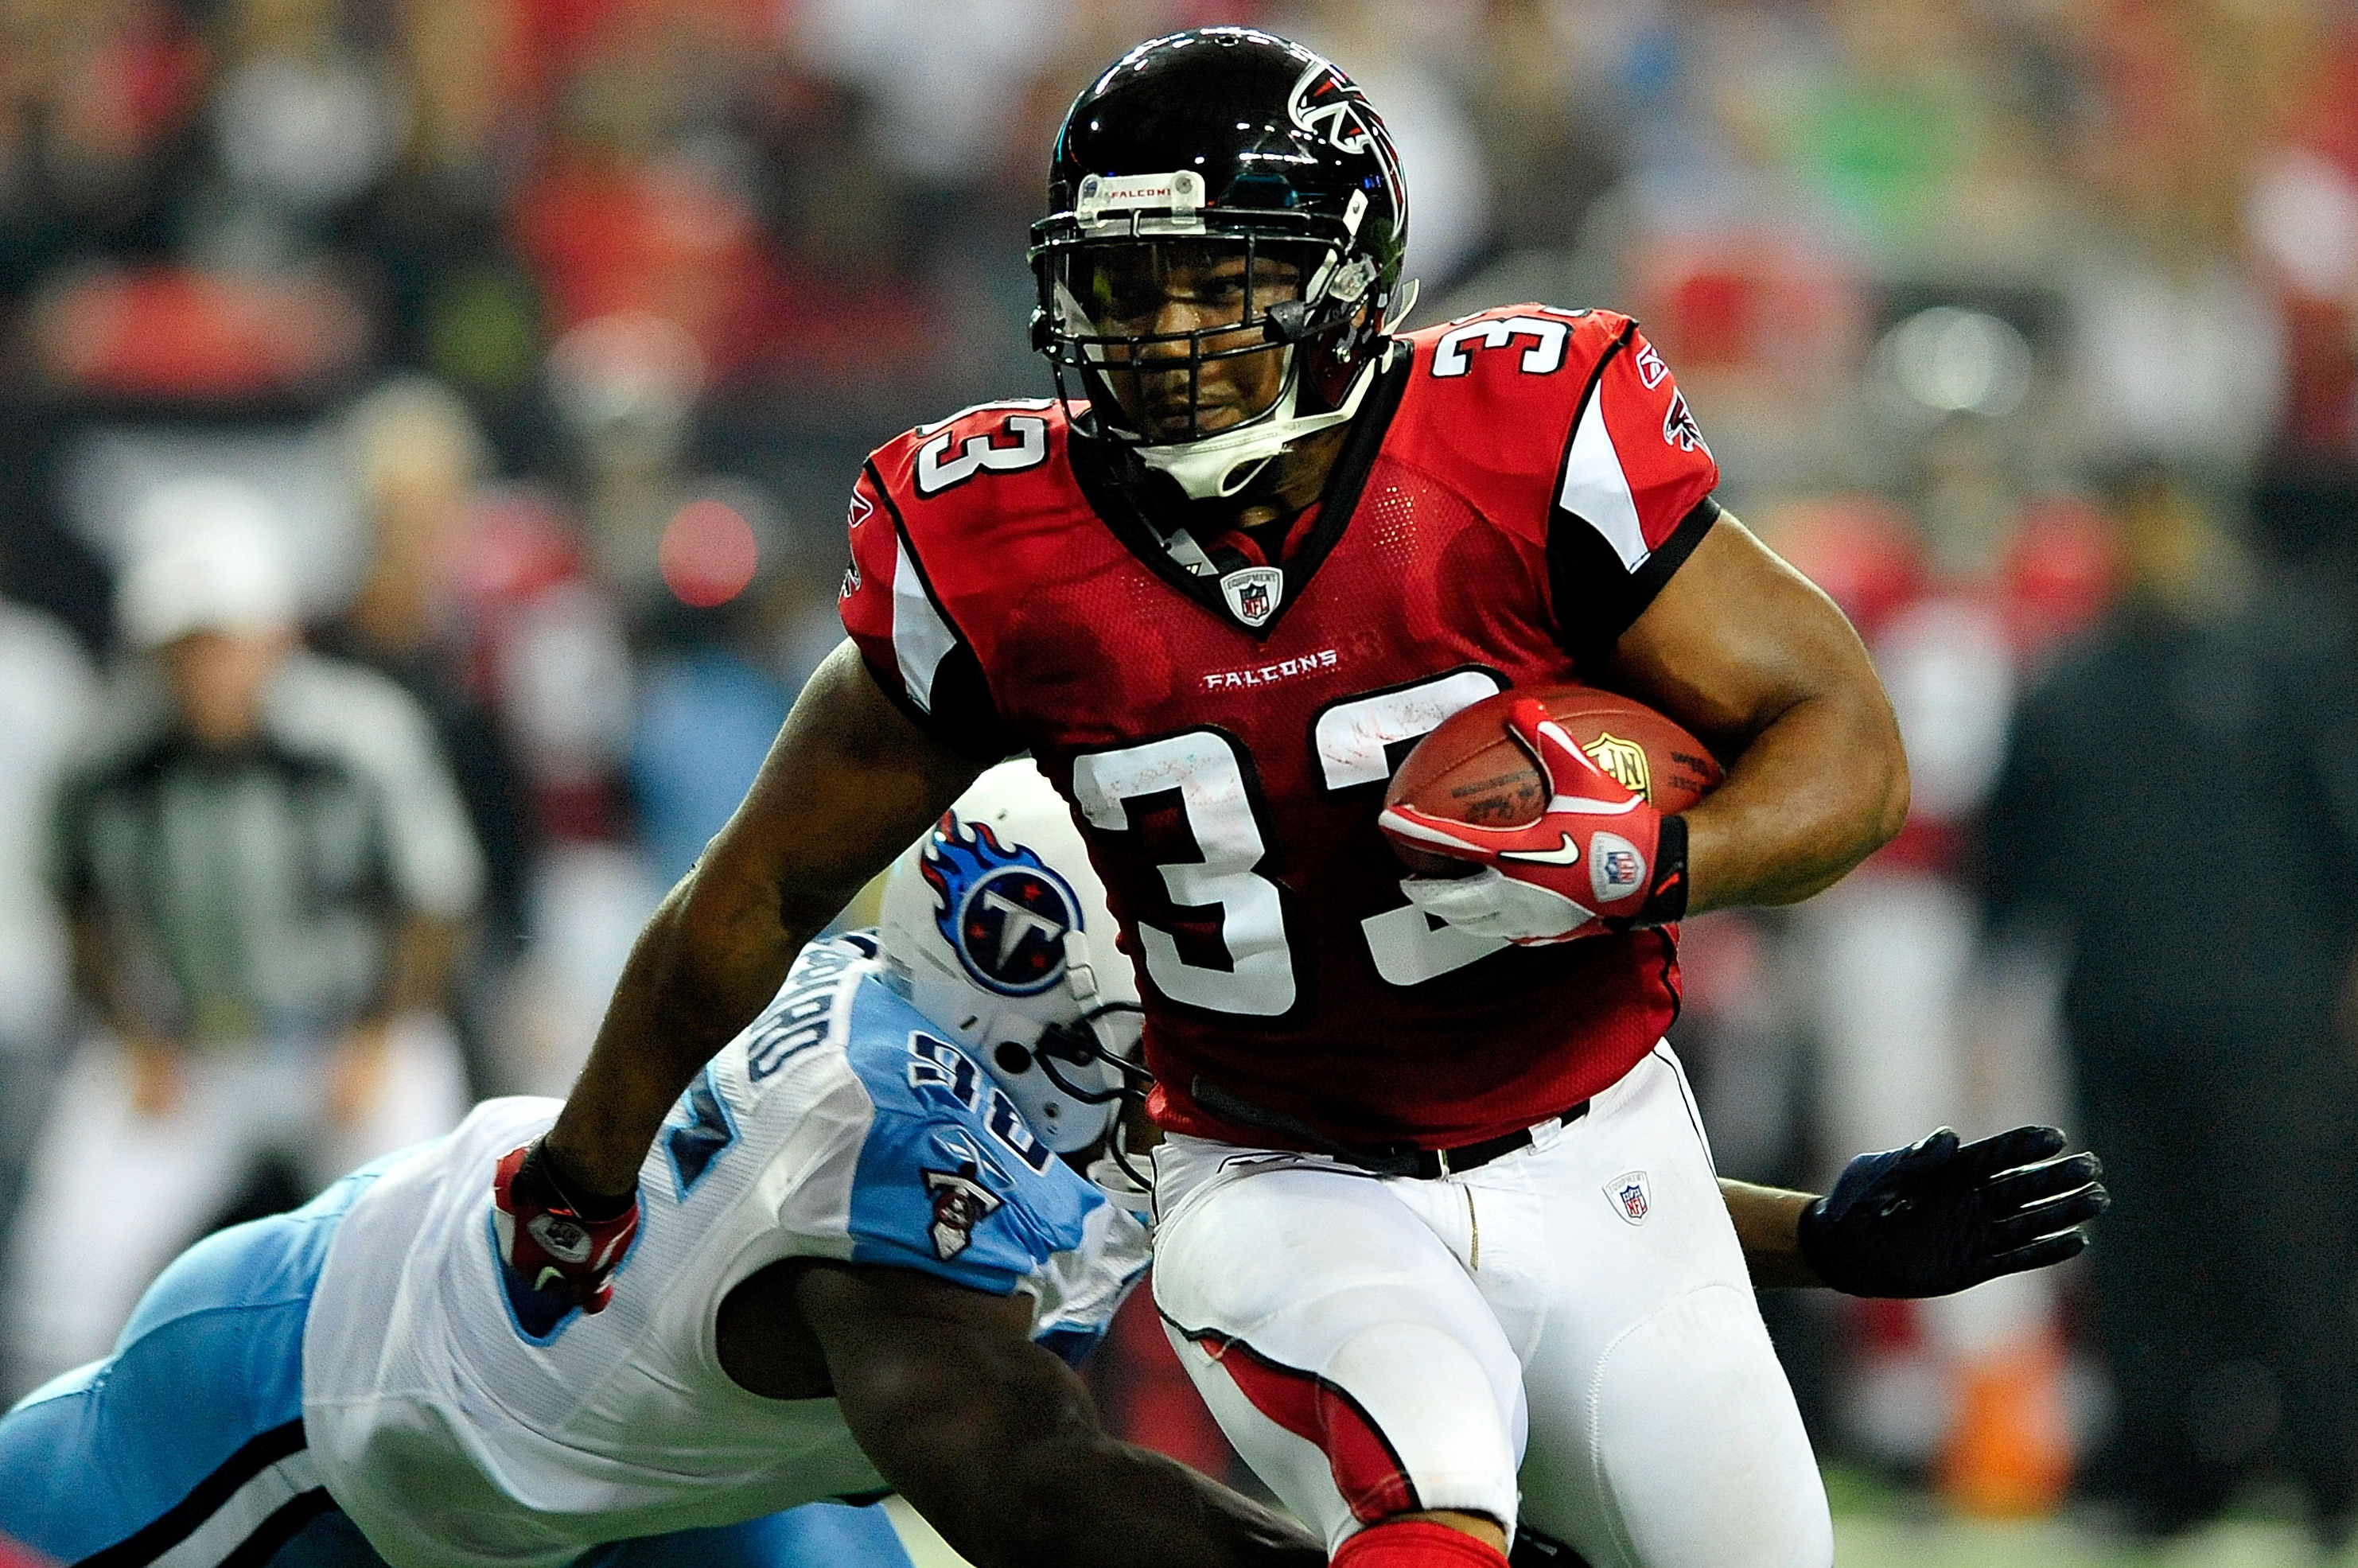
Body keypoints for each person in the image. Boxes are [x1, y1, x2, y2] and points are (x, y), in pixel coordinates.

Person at [504, 29, 2095, 1568]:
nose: (1162, 329)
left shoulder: (1516, 445)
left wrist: (1660, 856)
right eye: (1124, 283)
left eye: (1218, 275)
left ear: (1347, 277)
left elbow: (1845, 745)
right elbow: (763, 885)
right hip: (1279, 1175)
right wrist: (580, 1172)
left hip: (1603, 1151)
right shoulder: (993, 544)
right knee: (1427, 1489)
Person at [0, 764, 1317, 1568]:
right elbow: (1038, 1495)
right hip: (304, 1414)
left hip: (647, 1493)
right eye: (1182, 1008)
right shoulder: (883, 1164)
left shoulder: (955, 1040)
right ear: (1037, 998)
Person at [0, 481, 481, 1395]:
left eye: (223, 640)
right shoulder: (106, 757)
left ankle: (433, 1458)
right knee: (57, 1293)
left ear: (275, 636)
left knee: (432, 1269)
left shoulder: (360, 737)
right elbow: (77, 899)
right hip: (190, 1048)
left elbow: (436, 904)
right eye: (185, 645)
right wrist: (135, 1037)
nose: (206, 668)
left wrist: (376, 1040)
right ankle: (40, 1504)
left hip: (347, 1037)